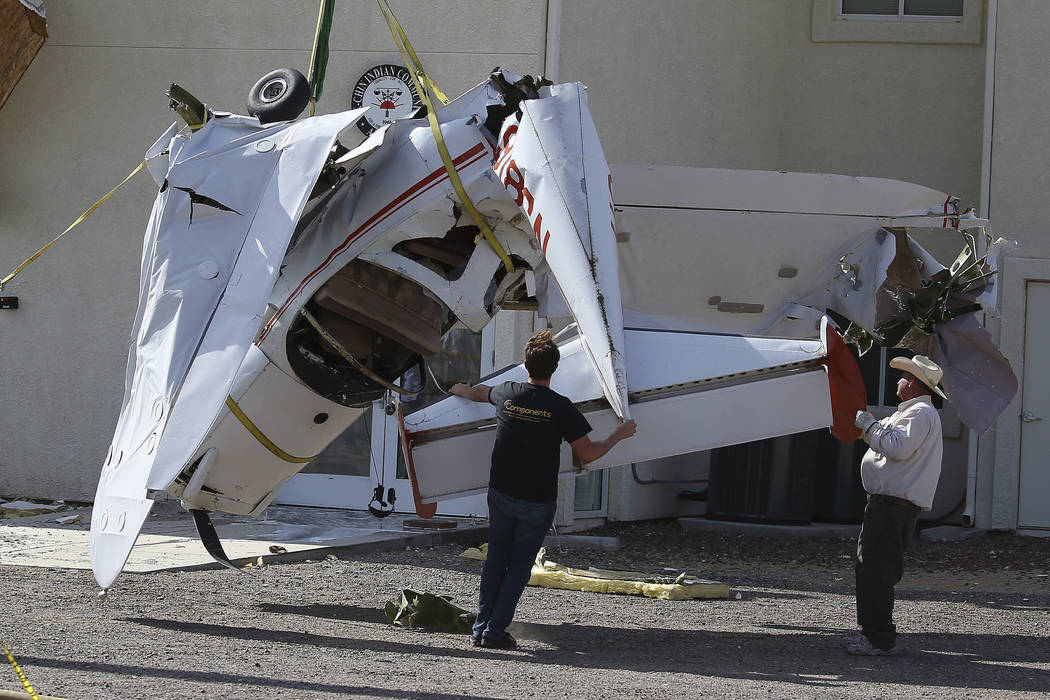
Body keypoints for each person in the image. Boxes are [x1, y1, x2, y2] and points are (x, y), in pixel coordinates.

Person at [450, 329, 637, 649]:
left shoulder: (508, 392)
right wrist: (618, 435)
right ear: (555, 368)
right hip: (537, 500)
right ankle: (494, 631)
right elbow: (588, 453)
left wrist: (462, 390)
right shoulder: (561, 408)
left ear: (525, 366)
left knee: (497, 557)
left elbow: (481, 393)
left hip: (501, 492)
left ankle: (481, 628)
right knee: (520, 564)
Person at [848, 354, 946, 656]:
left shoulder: (919, 413)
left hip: (893, 505)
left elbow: (896, 447)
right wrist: (872, 428)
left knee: (876, 569)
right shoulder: (916, 412)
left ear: (914, 384)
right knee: (874, 568)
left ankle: (878, 638)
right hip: (891, 504)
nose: (899, 381)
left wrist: (869, 426)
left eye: (904, 377)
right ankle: (875, 634)